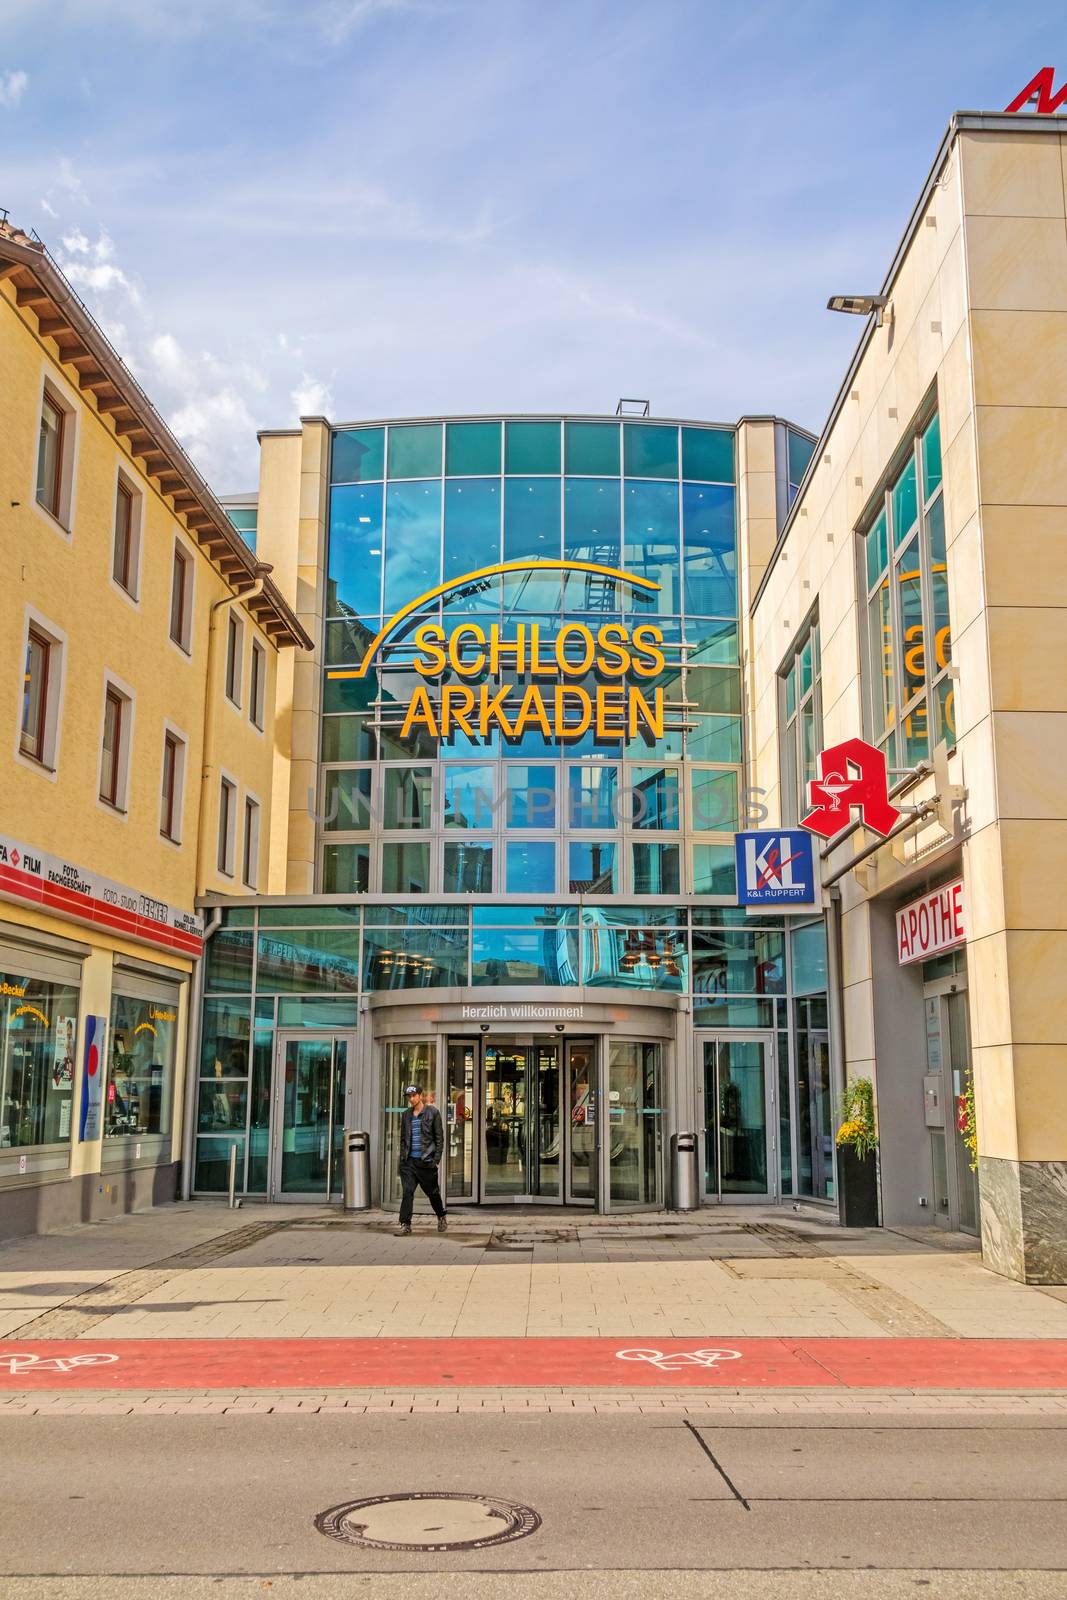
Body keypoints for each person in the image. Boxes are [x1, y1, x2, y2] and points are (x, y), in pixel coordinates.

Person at [397, 1083, 447, 1236]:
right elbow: (403, 1139)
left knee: (432, 1193)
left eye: (413, 1096)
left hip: (426, 1162)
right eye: (409, 1097)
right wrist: (403, 1159)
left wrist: (436, 1160)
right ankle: (405, 1224)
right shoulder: (406, 1115)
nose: (411, 1099)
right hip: (409, 1162)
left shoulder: (433, 1113)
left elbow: (440, 1139)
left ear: (420, 1095)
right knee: (407, 1192)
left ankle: (441, 1215)